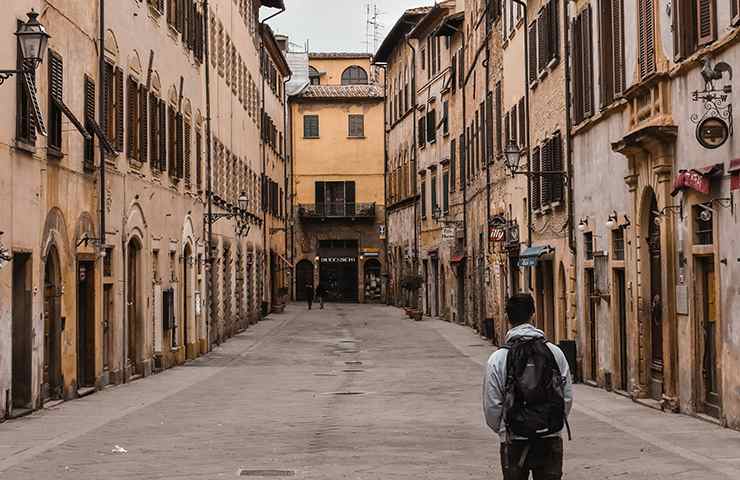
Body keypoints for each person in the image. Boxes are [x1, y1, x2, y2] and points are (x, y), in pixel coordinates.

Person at [483, 293, 573, 480]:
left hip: (514, 439)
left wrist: (504, 430)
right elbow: (566, 396)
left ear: (507, 318)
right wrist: (552, 423)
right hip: (549, 437)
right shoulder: (554, 352)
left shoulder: (498, 358)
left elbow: (492, 405)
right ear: (533, 314)